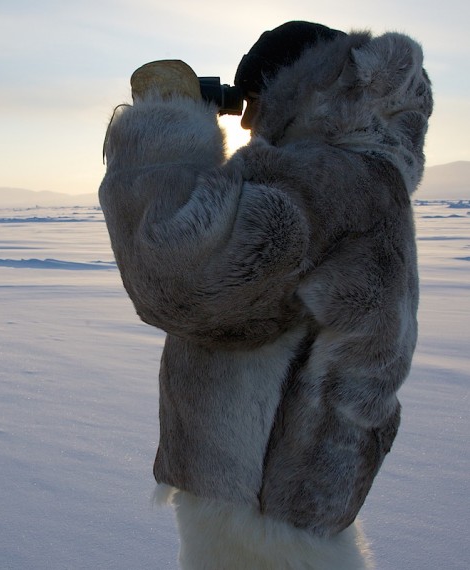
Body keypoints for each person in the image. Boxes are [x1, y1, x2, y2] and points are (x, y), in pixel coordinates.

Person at [99, 21, 433, 570]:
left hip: (254, 503)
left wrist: (161, 129)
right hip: (293, 498)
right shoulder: (366, 175)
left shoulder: (324, 178)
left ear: (294, 93)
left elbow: (180, 278)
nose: (247, 121)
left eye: (251, 101)